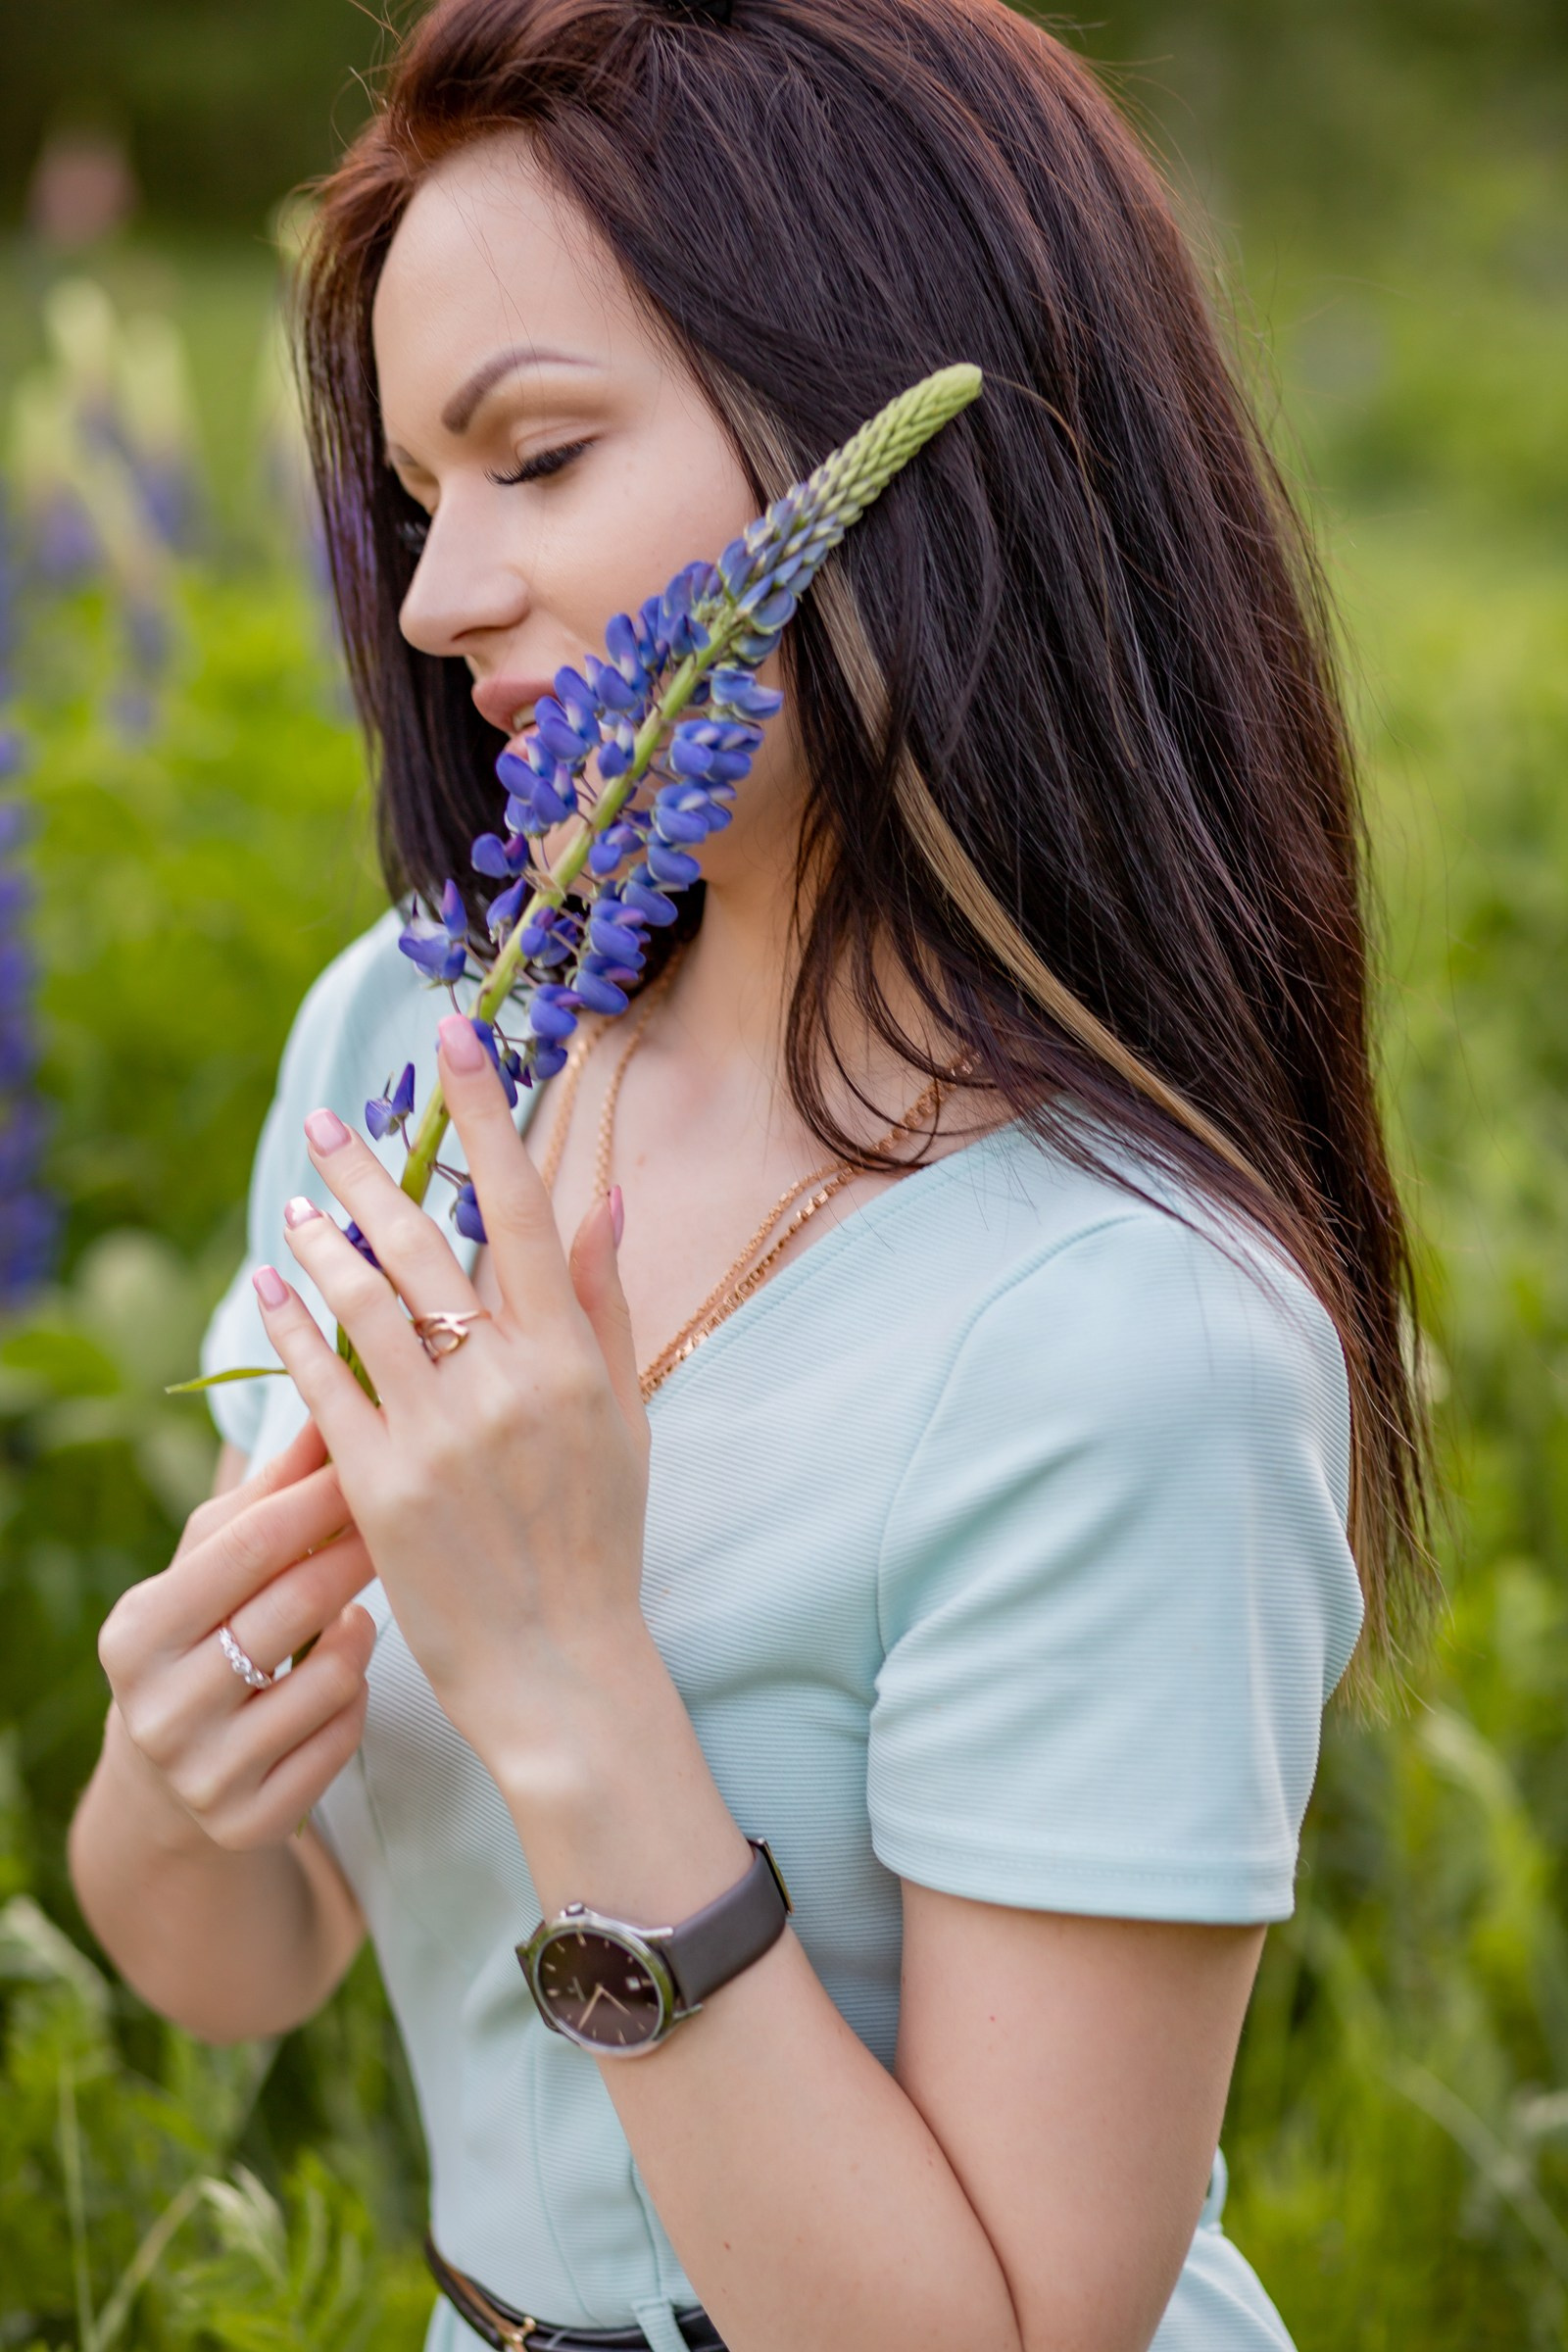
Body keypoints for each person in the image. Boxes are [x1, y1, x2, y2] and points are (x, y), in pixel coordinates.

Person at [68, 4, 1435, 2347]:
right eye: (417, 494)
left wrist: (569, 1682)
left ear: (881, 435)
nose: (432, 595)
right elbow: (243, 1957)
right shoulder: (410, 1047)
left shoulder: (1124, 1325)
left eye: (535, 456)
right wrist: (179, 1772)